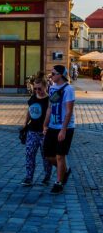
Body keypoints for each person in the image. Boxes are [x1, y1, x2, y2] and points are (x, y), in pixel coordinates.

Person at [43, 66, 76, 194]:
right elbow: (50, 108)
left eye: (53, 73)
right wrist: (45, 125)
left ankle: (59, 183)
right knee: (48, 155)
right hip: (52, 126)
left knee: (59, 156)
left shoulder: (68, 89)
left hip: (65, 127)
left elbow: (68, 111)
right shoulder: (51, 88)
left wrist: (63, 130)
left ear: (61, 75)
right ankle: (64, 171)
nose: (51, 76)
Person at [22, 82, 54, 188]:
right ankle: (29, 177)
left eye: (39, 88)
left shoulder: (49, 99)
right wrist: (25, 124)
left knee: (46, 156)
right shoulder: (33, 97)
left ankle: (47, 176)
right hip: (32, 131)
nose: (37, 91)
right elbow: (29, 110)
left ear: (45, 87)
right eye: (35, 88)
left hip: (45, 132)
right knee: (29, 154)